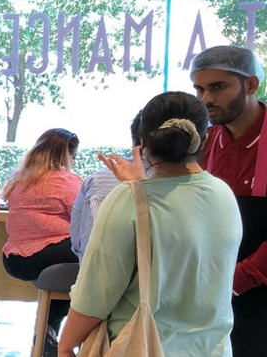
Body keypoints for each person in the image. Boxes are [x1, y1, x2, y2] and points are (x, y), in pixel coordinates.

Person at [57, 91, 241, 357]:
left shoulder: (127, 199)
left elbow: (95, 294)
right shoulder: (224, 195)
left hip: (141, 346)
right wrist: (139, 187)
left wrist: (64, 344)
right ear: (206, 139)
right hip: (213, 348)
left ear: (141, 143)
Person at [191, 45, 267, 357]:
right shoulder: (203, 143)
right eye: (199, 89)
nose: (206, 99)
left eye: (218, 87)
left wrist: (234, 281)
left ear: (251, 85)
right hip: (214, 291)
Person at [1, 128, 83, 353]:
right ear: (65, 156)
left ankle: (48, 332)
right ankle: (70, 333)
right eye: (73, 157)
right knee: (90, 255)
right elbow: (83, 218)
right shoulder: (66, 181)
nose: (74, 163)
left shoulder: (20, 179)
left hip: (13, 258)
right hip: (45, 253)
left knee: (72, 265)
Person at [69, 112, 141, 262]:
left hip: (96, 274)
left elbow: (76, 240)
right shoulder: (70, 180)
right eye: (74, 157)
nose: (75, 163)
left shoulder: (96, 180)